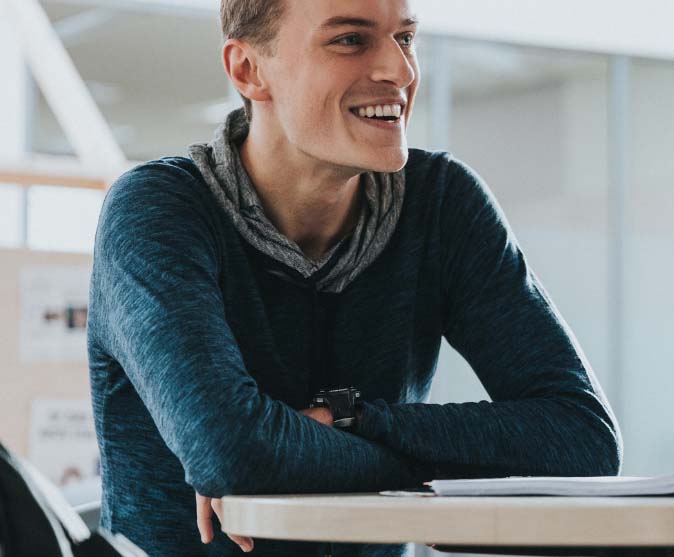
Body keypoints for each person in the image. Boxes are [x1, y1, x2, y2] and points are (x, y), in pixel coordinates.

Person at [87, 0, 621, 554]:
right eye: (350, 40)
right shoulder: (158, 211)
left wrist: (350, 422)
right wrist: (431, 471)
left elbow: (583, 439)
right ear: (249, 70)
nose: (401, 70)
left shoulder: (442, 203)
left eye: (406, 39)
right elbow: (231, 450)